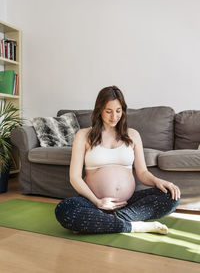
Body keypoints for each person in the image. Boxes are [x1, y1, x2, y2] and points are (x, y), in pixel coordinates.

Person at [55, 86, 180, 234]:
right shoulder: (83, 135)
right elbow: (74, 177)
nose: (114, 116)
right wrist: (97, 201)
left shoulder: (133, 135)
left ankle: (103, 221)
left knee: (171, 196)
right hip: (93, 203)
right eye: (108, 111)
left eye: (118, 110)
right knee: (64, 209)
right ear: (99, 110)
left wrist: (158, 181)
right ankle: (133, 226)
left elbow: (142, 173)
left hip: (127, 203)